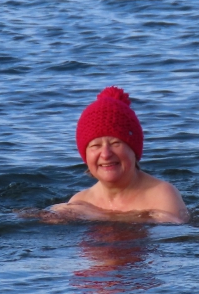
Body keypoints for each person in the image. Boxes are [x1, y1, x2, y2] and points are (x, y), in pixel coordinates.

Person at [47, 86, 188, 224]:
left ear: (133, 150)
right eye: (96, 146)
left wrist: (97, 215)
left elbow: (174, 231)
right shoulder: (80, 201)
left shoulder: (162, 194)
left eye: (115, 143)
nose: (106, 154)